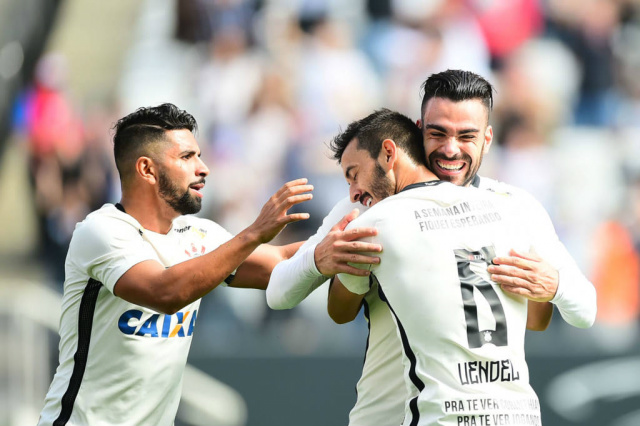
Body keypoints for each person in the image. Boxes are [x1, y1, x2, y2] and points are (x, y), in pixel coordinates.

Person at [266, 70, 596, 426]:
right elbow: (316, 302)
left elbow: (566, 312)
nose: (450, 148)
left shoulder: (514, 206)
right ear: (419, 129)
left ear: (487, 138)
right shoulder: (368, 206)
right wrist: (321, 259)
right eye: (438, 133)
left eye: (466, 136)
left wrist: (554, 286)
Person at [37, 103, 313, 426]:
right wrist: (253, 233)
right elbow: (165, 291)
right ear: (147, 170)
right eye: (187, 157)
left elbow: (280, 263)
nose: (203, 168)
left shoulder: (200, 234)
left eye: (199, 155)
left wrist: (350, 244)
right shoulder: (100, 232)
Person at [331, 108, 544, 426]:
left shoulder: (375, 225)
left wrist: (331, 258)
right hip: (519, 416)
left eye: (354, 174)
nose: (353, 194)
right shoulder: (506, 210)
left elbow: (339, 311)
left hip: (443, 416)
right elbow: (538, 320)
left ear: (389, 154)